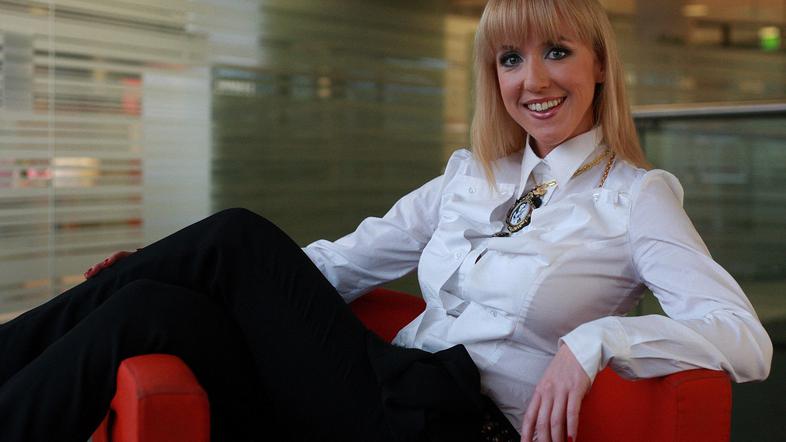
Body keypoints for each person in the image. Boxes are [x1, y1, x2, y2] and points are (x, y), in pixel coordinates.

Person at [0, 0, 772, 441]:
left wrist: (596, 340)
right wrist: (173, 267)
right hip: (378, 390)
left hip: (448, 423)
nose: (532, 80)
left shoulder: (634, 196)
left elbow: (744, 337)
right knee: (151, 303)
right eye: (510, 59)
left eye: (557, 52)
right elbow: (338, 265)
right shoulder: (471, 177)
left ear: (599, 64)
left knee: (234, 235)